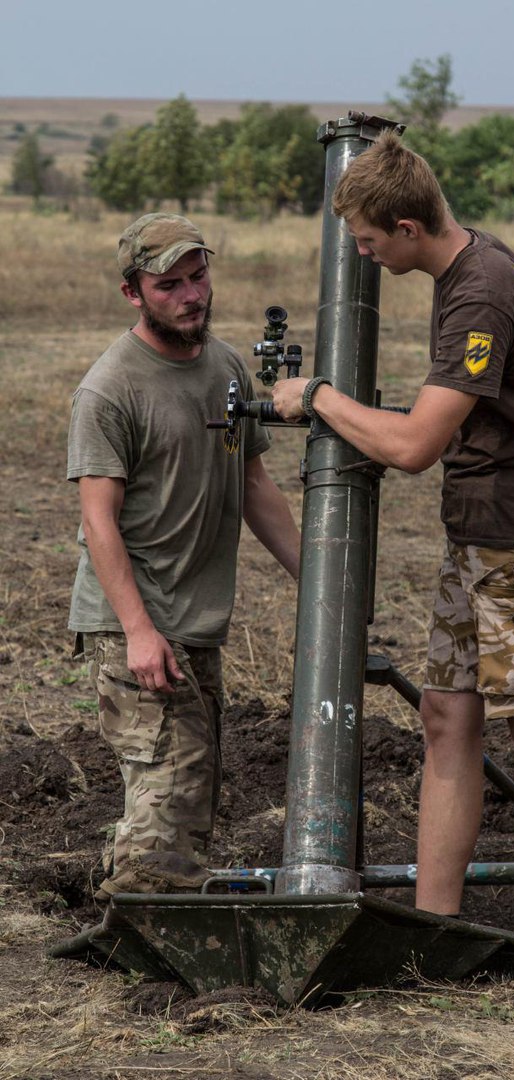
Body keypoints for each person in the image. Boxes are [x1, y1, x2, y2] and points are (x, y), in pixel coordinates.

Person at [272, 132, 514, 945]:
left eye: (367, 240)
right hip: (480, 534)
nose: (362, 254)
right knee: (448, 721)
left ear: (408, 228)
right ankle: (435, 922)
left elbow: (415, 446)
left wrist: (316, 395)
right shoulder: (466, 270)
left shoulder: (480, 293)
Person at [68, 212, 300, 901]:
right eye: (169, 284)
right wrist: (140, 631)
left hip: (196, 623)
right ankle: (151, 948)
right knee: (172, 779)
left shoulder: (225, 367)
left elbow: (254, 485)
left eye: (198, 277)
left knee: (184, 785)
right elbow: (97, 521)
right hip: (132, 624)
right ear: (132, 294)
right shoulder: (110, 388)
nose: (192, 295)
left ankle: (133, 914)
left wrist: (319, 580)